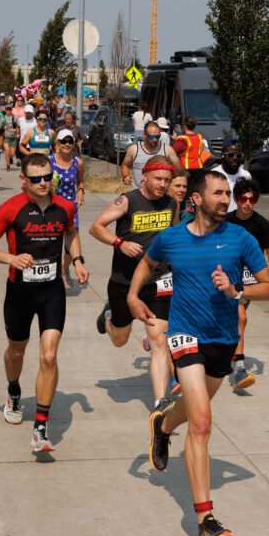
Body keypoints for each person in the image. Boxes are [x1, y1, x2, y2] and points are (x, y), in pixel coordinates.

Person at [129, 170, 269, 536]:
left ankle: (161, 426)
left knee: (193, 412)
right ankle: (205, 519)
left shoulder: (240, 238)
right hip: (183, 334)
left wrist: (236, 289)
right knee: (201, 423)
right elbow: (147, 263)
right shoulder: (172, 238)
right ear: (195, 199)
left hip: (222, 339)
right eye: (218, 193)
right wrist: (133, 297)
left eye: (227, 192)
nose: (226, 199)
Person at [0, 153, 89, 453]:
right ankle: (13, 391)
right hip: (19, 292)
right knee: (17, 350)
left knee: (49, 357)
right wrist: (10, 258)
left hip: (51, 291)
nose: (43, 183)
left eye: (47, 178)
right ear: (23, 179)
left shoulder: (64, 207)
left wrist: (77, 260)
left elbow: (71, 234)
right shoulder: (10, 209)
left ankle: (41, 426)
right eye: (36, 179)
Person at [90, 156, 180, 412]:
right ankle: (108, 315)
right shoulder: (128, 200)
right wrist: (119, 243)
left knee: (159, 340)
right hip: (123, 280)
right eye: (158, 179)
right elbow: (96, 228)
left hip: (158, 281)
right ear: (146, 177)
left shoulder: (172, 203)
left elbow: (172, 236)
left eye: (167, 180)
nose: (163, 184)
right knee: (119, 339)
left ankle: (161, 402)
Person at [224, 177, 269, 390]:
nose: (247, 203)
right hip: (224, 276)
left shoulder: (260, 223)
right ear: (236, 200)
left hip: (246, 280)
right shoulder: (226, 221)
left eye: (252, 199)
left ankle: (239, 368)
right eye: (243, 199)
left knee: (240, 316)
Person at [49, 129, 85, 289]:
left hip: (70, 208)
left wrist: (81, 191)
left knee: (71, 244)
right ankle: (55, 273)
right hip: (51, 207)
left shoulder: (78, 162)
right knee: (53, 243)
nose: (67, 144)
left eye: (70, 141)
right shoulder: (48, 161)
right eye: (64, 141)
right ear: (57, 143)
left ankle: (65, 269)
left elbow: (81, 181)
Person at [121, 121, 180, 188]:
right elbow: (125, 165)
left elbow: (178, 169)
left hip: (159, 193)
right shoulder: (134, 149)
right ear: (144, 135)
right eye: (151, 137)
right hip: (138, 192)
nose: (155, 139)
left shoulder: (168, 150)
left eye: (157, 137)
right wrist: (126, 175)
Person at [209, 139, 251, 214]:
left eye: (239, 155)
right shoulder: (214, 174)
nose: (235, 158)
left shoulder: (246, 176)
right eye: (231, 155)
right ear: (222, 154)